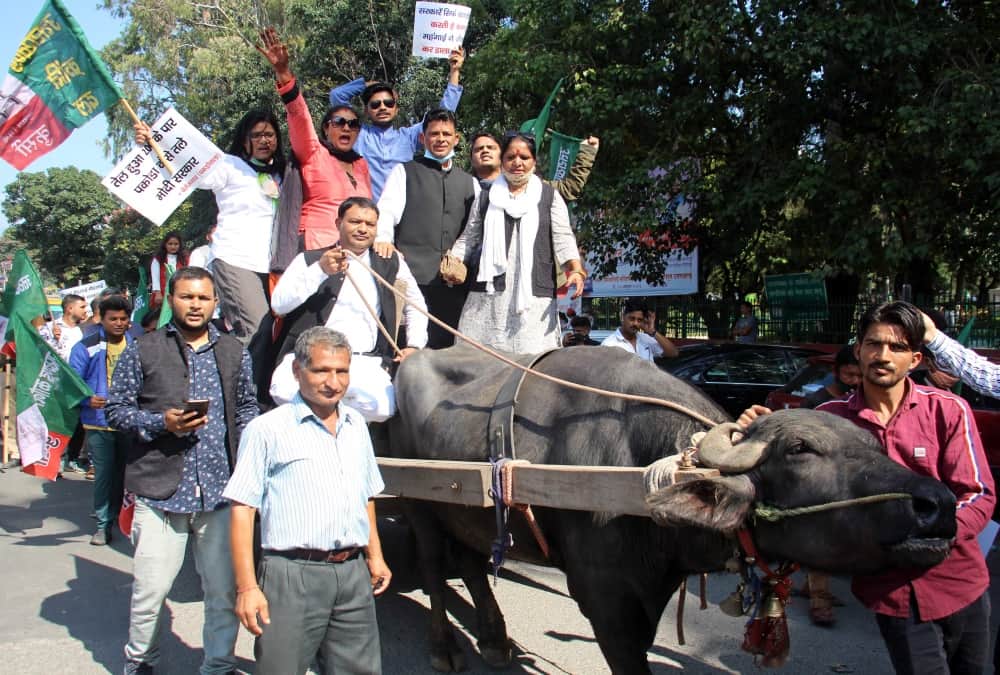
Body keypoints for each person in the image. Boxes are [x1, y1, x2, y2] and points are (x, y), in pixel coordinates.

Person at [739, 301, 994, 674]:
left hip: (960, 580)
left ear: (917, 359)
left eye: (898, 347)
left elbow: (978, 494)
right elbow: (783, 471)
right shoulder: (827, 421)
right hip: (892, 591)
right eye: (873, 344)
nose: (883, 355)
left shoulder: (947, 409)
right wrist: (753, 428)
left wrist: (930, 530)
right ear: (858, 352)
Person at [106, 267, 259, 675]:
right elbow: (116, 411)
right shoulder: (144, 349)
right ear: (171, 299)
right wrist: (162, 423)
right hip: (159, 490)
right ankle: (140, 662)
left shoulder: (233, 351)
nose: (196, 305)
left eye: (204, 298)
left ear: (215, 303)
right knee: (150, 592)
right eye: (187, 297)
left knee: (222, 591)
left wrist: (247, 453)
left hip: (220, 492)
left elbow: (246, 407)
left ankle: (218, 665)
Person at [224, 327, 391, 674]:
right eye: (321, 370)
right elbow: (242, 510)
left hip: (351, 574)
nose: (333, 382)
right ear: (298, 371)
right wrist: (247, 587)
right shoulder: (266, 430)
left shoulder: (357, 425)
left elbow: (367, 496)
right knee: (281, 669)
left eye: (341, 371)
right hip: (291, 575)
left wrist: (375, 557)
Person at [267, 197, 427, 420]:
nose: (362, 229)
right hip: (311, 359)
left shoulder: (390, 262)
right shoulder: (310, 259)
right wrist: (320, 270)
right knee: (282, 389)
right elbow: (279, 304)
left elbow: (416, 304)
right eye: (355, 222)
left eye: (369, 224)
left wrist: (414, 345)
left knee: (383, 408)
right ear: (338, 223)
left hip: (363, 362)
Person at [136, 107, 286, 345]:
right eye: (256, 135)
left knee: (275, 333)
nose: (263, 140)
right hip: (236, 260)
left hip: (271, 265)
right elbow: (188, 169)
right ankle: (244, 383)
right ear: (244, 140)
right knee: (256, 329)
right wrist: (154, 143)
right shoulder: (229, 165)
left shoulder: (281, 173)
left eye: (269, 134)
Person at [444, 131, 586, 353]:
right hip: (488, 297)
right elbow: (469, 238)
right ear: (502, 161)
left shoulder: (549, 196)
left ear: (534, 161)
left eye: (524, 157)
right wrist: (454, 260)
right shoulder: (485, 197)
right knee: (479, 363)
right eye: (511, 157)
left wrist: (575, 270)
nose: (517, 162)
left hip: (533, 301)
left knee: (534, 369)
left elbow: (563, 237)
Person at [260, 29, 372, 251]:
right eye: (339, 122)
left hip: (355, 253)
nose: (346, 127)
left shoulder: (361, 165)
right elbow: (298, 114)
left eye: (353, 124)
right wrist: (283, 73)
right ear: (326, 128)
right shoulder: (313, 152)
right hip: (315, 249)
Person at [375, 108, 477, 348]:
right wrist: (383, 240)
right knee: (406, 348)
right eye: (434, 134)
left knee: (445, 353)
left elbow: (474, 230)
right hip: (411, 279)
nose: (440, 139)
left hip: (451, 285)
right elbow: (387, 212)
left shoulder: (470, 182)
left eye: (446, 133)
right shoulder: (404, 172)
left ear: (456, 138)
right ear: (423, 138)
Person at [329, 47, 465, 200]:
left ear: (396, 109)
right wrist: (370, 84)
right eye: (375, 104)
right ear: (366, 111)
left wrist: (454, 72)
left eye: (388, 103)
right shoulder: (358, 134)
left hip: (401, 216)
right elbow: (337, 96)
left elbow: (442, 116)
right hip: (366, 215)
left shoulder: (408, 138)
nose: (382, 107)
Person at [69, 295, 134, 545]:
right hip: (98, 421)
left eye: (123, 319)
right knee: (105, 473)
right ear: (101, 320)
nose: (118, 323)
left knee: (125, 473)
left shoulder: (136, 344)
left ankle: (119, 517)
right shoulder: (85, 347)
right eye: (113, 319)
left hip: (129, 420)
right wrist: (87, 399)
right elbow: (72, 383)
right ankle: (102, 524)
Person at [471, 131, 602, 204]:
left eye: (491, 147)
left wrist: (587, 152)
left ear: (502, 156)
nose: (485, 151)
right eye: (478, 149)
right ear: (470, 158)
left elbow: (569, 188)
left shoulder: (536, 188)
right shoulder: (466, 192)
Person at [921, 310, 1000, 398]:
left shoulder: (966, 396)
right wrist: (934, 338)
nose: (953, 374)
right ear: (927, 362)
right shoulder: (916, 389)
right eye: (946, 364)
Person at [601, 298, 678, 360]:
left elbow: (673, 353)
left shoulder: (645, 339)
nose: (635, 323)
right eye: (632, 319)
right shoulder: (609, 344)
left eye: (639, 320)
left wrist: (652, 332)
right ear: (622, 317)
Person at [800, 345, 862, 409]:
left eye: (861, 376)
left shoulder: (865, 401)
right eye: (850, 374)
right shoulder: (815, 402)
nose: (856, 381)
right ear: (835, 371)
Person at [149, 232, 188, 310]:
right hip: (162, 294)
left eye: (176, 244)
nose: (173, 246)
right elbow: (155, 277)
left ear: (180, 245)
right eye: (170, 244)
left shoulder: (185, 259)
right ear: (165, 244)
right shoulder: (158, 259)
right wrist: (158, 293)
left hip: (180, 292)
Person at [54, 293, 88, 361]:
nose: (85, 311)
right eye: (82, 307)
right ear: (70, 309)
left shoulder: (85, 329)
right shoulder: (51, 327)